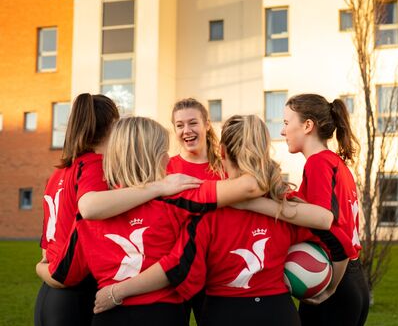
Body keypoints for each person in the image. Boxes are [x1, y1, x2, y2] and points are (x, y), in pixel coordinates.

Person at [90, 115, 335, 326]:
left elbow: (186, 269)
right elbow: (333, 238)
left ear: (222, 152)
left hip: (222, 311)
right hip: (278, 311)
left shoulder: (204, 208)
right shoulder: (285, 201)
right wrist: (330, 284)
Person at [35, 116, 275, 326]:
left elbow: (64, 277)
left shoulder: (92, 212)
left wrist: (39, 267)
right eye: (164, 152)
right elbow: (251, 186)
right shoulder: (180, 193)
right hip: (163, 313)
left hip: (108, 315)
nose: (168, 159)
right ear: (155, 156)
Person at [281, 94, 370, 326]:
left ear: (308, 125)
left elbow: (326, 223)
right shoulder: (335, 163)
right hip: (353, 279)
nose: (283, 132)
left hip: (333, 281)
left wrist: (330, 288)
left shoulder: (318, 163)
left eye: (287, 123)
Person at [35, 94, 120, 326]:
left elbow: (46, 250)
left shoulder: (58, 173)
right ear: (113, 125)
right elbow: (90, 211)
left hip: (48, 295)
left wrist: (44, 270)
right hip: (74, 291)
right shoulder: (94, 166)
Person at [167, 98, 224, 324]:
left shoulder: (224, 167)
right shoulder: (165, 168)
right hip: (175, 271)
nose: (186, 131)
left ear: (207, 124)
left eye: (193, 123)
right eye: (180, 125)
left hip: (215, 274)